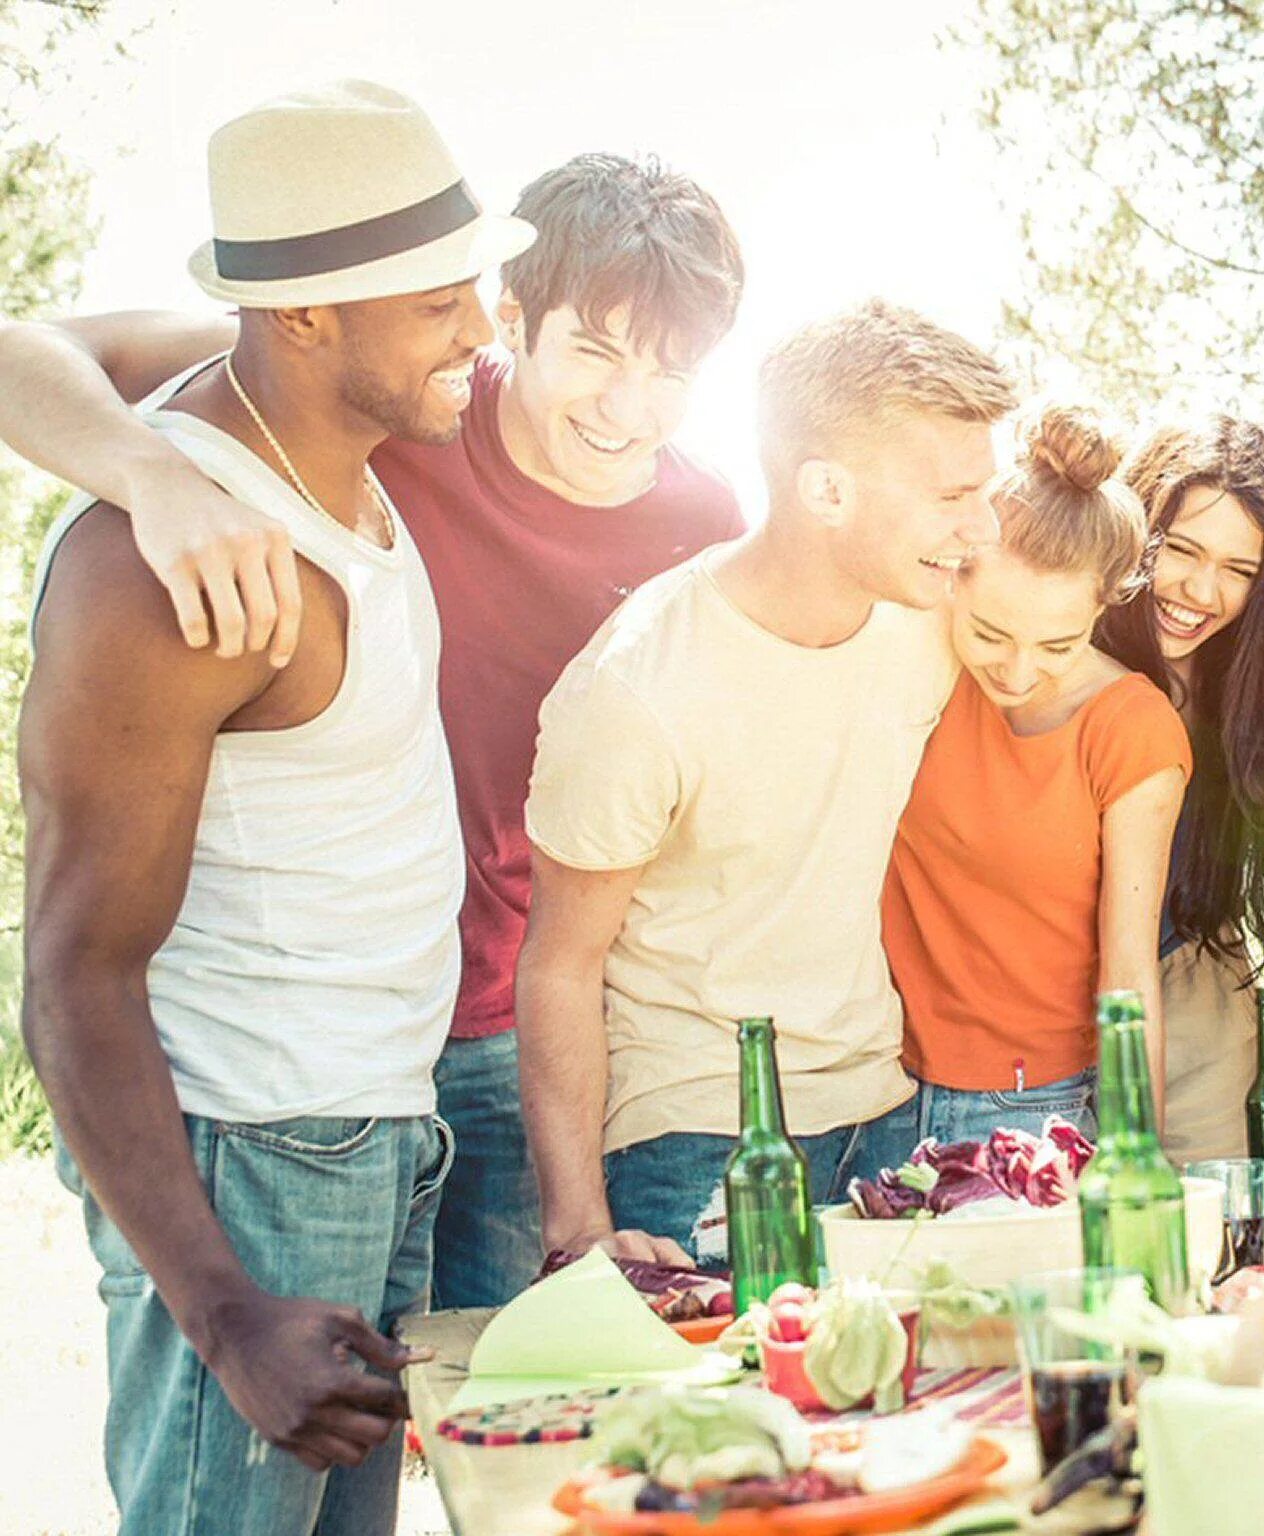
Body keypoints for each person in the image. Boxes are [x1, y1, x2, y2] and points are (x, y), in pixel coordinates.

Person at [0, 156, 747, 1305]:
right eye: (595, 352)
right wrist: (157, 477)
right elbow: (25, 354)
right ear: (518, 318)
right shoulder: (398, 396)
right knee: (303, 1394)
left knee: (494, 1409)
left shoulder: (701, 526)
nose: (625, 408)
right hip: (300, 1044)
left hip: (515, 1030)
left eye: (671, 373)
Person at [17, 81, 532, 1534]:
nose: (481, 337)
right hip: (250, 1166)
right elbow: (71, 973)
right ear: (303, 315)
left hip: (374, 1126)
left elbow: (27, 349)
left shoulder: (283, 400)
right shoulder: (163, 584)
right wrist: (225, 1310)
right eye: (439, 306)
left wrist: (133, 453)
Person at [519, 300, 1014, 1267]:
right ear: (825, 491)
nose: (983, 527)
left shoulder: (930, 621)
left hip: (884, 1115)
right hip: (697, 1141)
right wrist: (577, 1229)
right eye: (953, 496)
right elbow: (558, 964)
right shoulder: (635, 688)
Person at [881, 406, 1191, 1146]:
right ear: (953, 578)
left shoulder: (1131, 731)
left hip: (1030, 1108)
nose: (1016, 673)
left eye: (1057, 643)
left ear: (1104, 605)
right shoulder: (912, 658)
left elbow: (1127, 976)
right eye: (990, 633)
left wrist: (1134, 1162)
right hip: (869, 1092)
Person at [1094, 417, 1264, 1162]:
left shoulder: (1255, 707)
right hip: (1041, 1019)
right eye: (1180, 551)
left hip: (1196, 1010)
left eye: (1238, 569)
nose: (1200, 590)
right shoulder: (1067, 659)